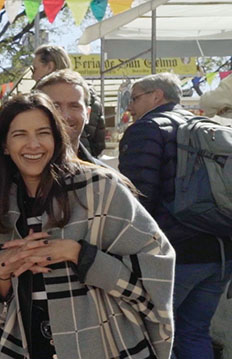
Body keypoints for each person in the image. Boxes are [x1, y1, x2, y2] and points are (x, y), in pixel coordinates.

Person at [0, 93, 174, 359]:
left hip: (107, 344)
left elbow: (157, 267)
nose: (33, 144)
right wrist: (1, 272)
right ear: (5, 145)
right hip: (30, 344)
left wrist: (79, 254)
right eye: (20, 134)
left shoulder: (100, 189)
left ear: (57, 139)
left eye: (43, 133)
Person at [0, 69, 109, 359]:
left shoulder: (108, 186)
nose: (64, 114)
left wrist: (77, 252)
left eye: (74, 105)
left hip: (91, 336)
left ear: (88, 113)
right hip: (16, 331)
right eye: (54, 106)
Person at [119, 73, 231, 359]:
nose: (129, 108)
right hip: (220, 252)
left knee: (149, 337)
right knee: (194, 332)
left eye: (134, 99)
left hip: (174, 254)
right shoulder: (208, 125)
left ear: (156, 96)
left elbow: (136, 200)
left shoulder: (146, 129)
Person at [31, 45, 106, 156]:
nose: (33, 76)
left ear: (49, 66)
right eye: (55, 106)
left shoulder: (84, 93)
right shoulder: (90, 94)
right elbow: (98, 142)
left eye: (34, 69)